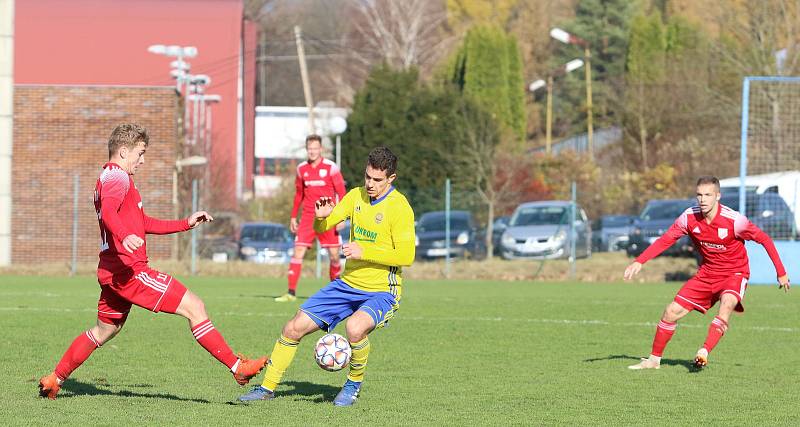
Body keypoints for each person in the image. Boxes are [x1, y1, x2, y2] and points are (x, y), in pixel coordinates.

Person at [38, 123, 267, 399]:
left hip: (113, 270)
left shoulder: (113, 178)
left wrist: (185, 223)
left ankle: (55, 378)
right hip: (129, 271)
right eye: (140, 153)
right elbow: (110, 212)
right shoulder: (117, 178)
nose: (142, 160)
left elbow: (142, 222)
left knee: (103, 331)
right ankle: (237, 367)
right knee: (195, 306)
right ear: (123, 151)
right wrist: (124, 236)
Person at [238, 146, 415, 406]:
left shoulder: (400, 207)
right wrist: (320, 220)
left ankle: (353, 385)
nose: (370, 184)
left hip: (382, 291)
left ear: (391, 179)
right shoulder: (355, 197)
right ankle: (266, 388)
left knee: (355, 328)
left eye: (377, 180)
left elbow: (405, 256)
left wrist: (365, 250)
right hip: (347, 285)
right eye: (367, 177)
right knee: (293, 327)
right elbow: (325, 224)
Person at [625, 176, 790, 370]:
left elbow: (764, 239)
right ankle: (653, 360)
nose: (702, 199)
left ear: (718, 196)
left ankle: (704, 351)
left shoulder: (735, 221)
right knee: (671, 312)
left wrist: (781, 272)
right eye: (699, 195)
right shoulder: (688, 217)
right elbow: (666, 240)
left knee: (727, 304)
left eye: (708, 195)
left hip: (734, 273)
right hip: (707, 273)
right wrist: (640, 261)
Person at [275, 134, 347, 302]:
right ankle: (291, 293)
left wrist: (341, 217)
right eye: (310, 149)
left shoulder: (331, 168)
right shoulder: (302, 169)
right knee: (298, 252)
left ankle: (335, 293)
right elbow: (299, 194)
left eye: (315, 148)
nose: (312, 152)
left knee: (335, 255)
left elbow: (342, 193)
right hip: (308, 217)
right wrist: (293, 216)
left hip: (329, 217)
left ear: (320, 149)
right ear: (306, 149)